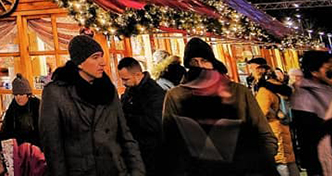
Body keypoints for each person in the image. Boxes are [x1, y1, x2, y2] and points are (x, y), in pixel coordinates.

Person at [161, 37, 277, 175]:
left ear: (212, 63)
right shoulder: (176, 95)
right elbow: (170, 142)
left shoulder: (238, 91)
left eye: (204, 60)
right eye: (194, 62)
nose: (200, 66)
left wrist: (258, 162)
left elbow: (264, 134)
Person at [38, 34, 144, 176]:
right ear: (79, 63)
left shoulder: (108, 89)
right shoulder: (56, 93)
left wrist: (137, 171)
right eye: (95, 57)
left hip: (116, 170)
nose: (102, 62)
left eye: (101, 56)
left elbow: (125, 135)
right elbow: (53, 149)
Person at [249, 58, 297, 176]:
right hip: (284, 127)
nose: (250, 71)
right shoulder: (277, 85)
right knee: (289, 161)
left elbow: (260, 113)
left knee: (280, 163)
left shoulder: (264, 90)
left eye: (252, 68)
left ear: (260, 70)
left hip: (273, 130)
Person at [117, 56, 164, 175]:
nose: (123, 83)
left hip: (151, 153)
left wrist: (126, 118)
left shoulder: (155, 93)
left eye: (126, 79)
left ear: (138, 75)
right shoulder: (131, 90)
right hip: (137, 150)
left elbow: (154, 123)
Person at [292, 51, 332, 176]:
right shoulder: (304, 96)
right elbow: (307, 137)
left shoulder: (329, 87)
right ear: (314, 72)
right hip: (321, 162)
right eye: (328, 68)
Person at [0, 74, 41, 148]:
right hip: (18, 148)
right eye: (16, 94)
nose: (18, 97)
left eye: (21, 94)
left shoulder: (37, 106)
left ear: (28, 94)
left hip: (36, 147)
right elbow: (5, 130)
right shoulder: (13, 107)